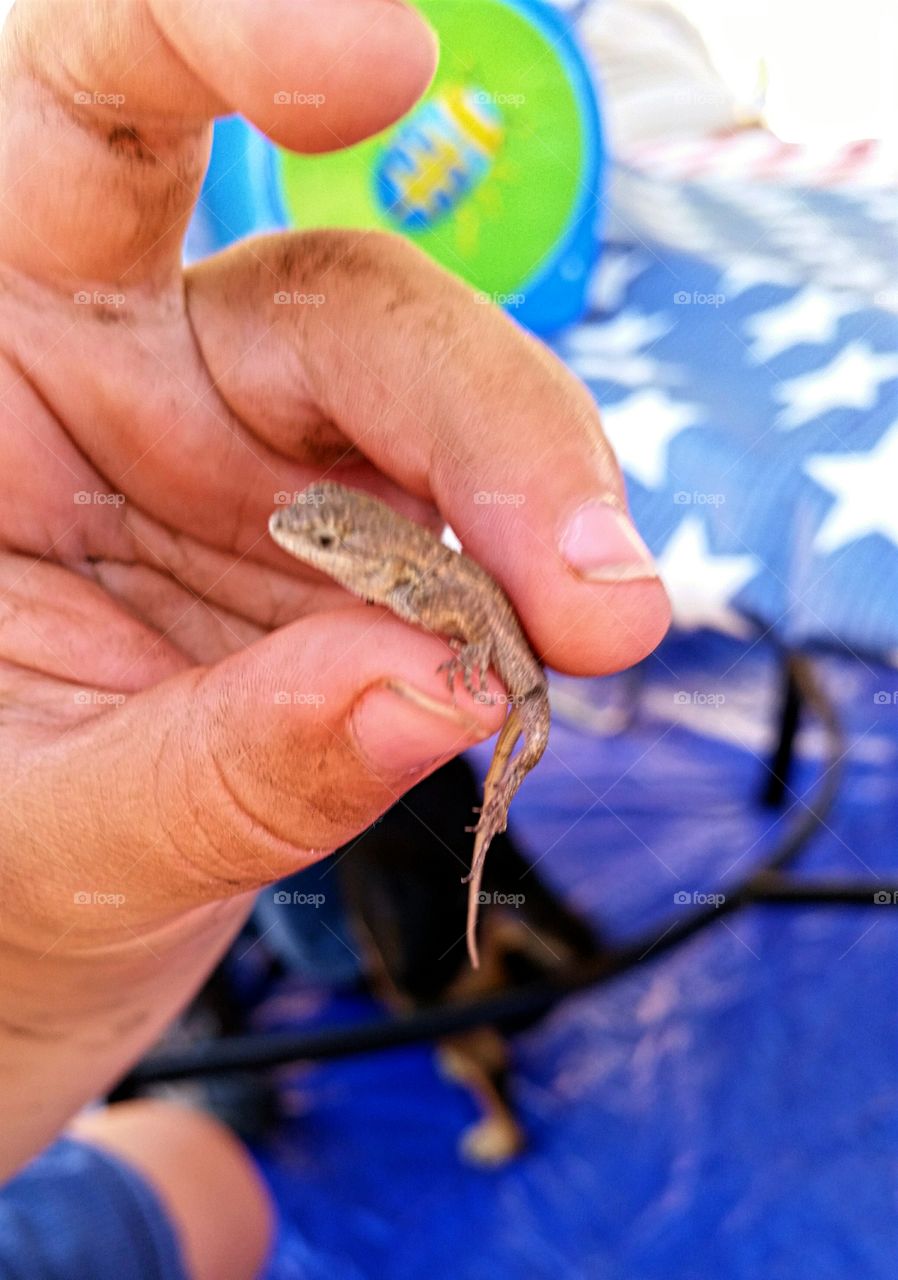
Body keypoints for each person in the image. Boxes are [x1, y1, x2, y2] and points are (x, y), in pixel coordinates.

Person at [0, 0, 670, 1274]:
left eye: (318, 539)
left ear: (348, 551)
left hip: (492, 661)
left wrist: (486, 676)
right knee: (420, 852)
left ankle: (481, 943)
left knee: (438, 834)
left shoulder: (398, 580)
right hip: (458, 666)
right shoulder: (364, 566)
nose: (302, 541)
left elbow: (455, 608)